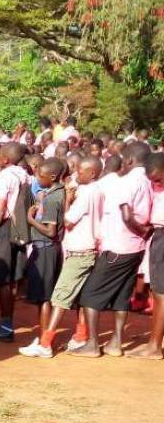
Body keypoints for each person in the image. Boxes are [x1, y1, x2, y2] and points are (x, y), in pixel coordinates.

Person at [70, 142, 152, 357]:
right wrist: (144, 233)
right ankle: (115, 343)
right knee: (121, 296)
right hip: (136, 249)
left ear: (130, 160)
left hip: (118, 246)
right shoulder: (149, 182)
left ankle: (92, 344)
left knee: (89, 295)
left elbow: (126, 215)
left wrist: (141, 230)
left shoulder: (127, 183)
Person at [21, 156, 103, 358]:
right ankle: (79, 337)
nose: (76, 174)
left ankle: (46, 342)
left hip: (75, 250)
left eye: (81, 171)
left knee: (58, 297)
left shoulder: (76, 195)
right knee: (78, 297)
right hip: (85, 248)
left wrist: (31, 220)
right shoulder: (98, 191)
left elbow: (64, 223)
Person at [18, 158, 66, 356]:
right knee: (43, 296)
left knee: (44, 297)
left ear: (52, 177)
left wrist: (30, 220)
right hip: (50, 249)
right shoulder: (59, 193)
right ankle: (43, 338)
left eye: (41, 176)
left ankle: (44, 343)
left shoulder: (52, 198)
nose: (38, 178)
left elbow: (50, 231)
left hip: (45, 248)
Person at [0, 142, 28, 342]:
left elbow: (1, 209)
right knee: (10, 281)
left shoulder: (5, 176)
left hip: (4, 227)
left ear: (4, 159)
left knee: (2, 281)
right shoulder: (24, 175)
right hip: (19, 230)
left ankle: (5, 328)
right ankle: (6, 325)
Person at [127, 152, 164, 359]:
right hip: (158, 235)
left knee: (161, 293)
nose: (154, 183)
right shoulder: (156, 185)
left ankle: (155, 346)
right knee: (157, 292)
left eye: (157, 178)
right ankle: (154, 342)